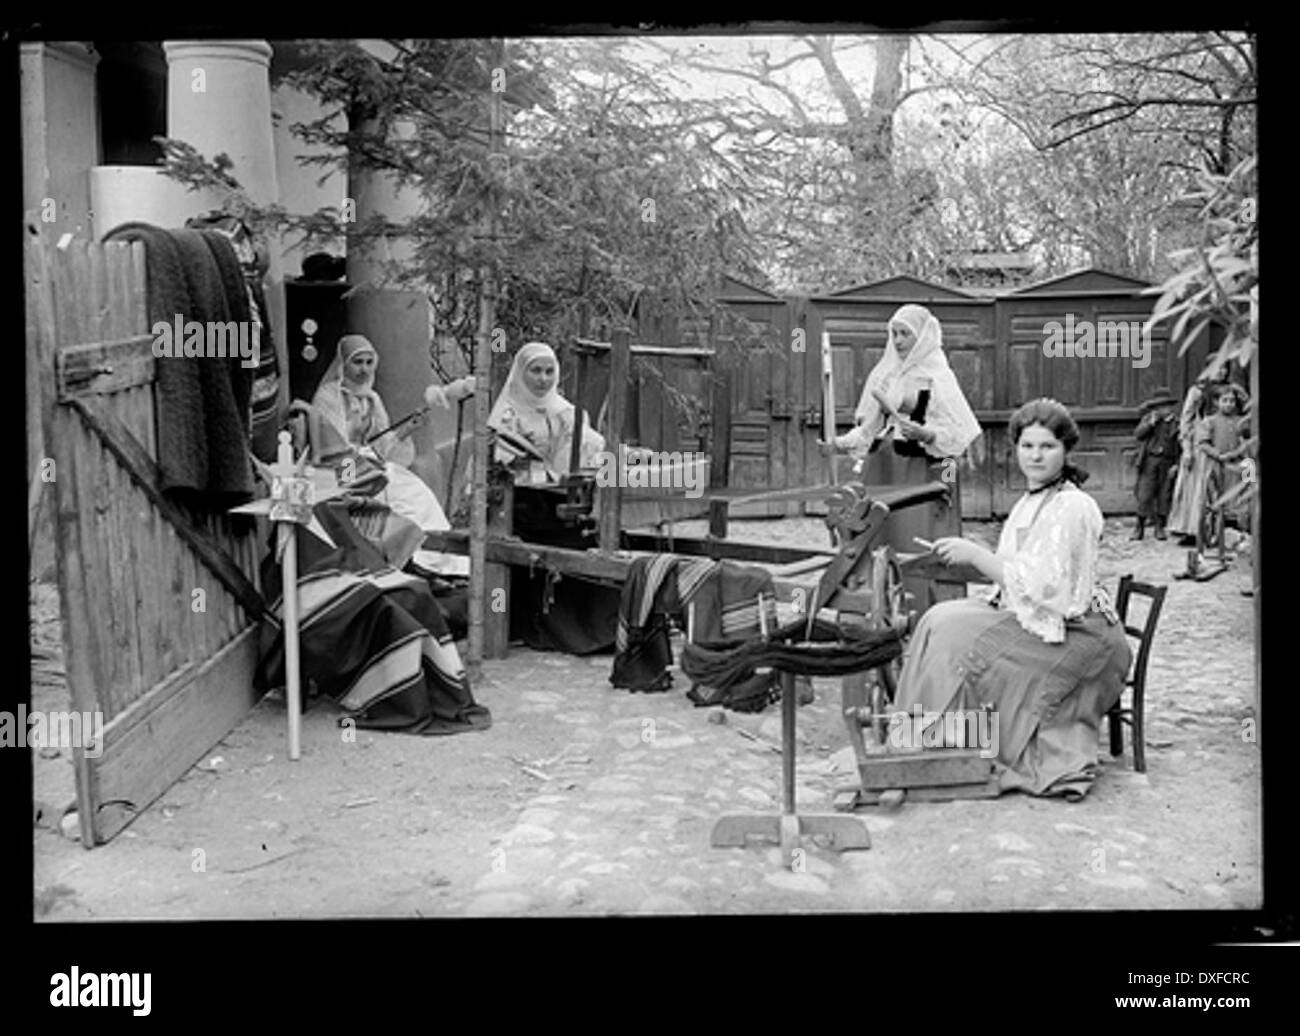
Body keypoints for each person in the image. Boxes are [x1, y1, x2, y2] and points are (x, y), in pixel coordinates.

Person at [892, 397, 1132, 800]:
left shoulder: (1073, 506)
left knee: (959, 643)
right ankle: (922, 739)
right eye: (1027, 446)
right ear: (1015, 448)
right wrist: (967, 554)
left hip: (1078, 637)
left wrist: (979, 557)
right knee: (939, 618)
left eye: (1047, 447)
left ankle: (955, 746)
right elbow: (1016, 569)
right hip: (1042, 616)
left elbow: (1048, 586)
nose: (1036, 456)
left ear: (1066, 450)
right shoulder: (1031, 500)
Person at [824, 304, 983, 611]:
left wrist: (927, 434)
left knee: (915, 539)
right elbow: (868, 430)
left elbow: (959, 432)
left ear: (923, 336)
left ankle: (923, 605)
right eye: (894, 333)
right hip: (882, 468)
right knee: (876, 533)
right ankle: (874, 604)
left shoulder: (939, 377)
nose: (897, 340)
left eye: (905, 334)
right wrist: (836, 443)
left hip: (921, 471)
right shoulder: (884, 374)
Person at [486, 342, 619, 654]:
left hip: (554, 497)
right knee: (570, 539)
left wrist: (602, 452)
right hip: (518, 503)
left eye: (549, 371)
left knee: (599, 536)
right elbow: (493, 462)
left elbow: (589, 444)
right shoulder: (506, 414)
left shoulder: (563, 410)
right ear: (521, 372)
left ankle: (600, 629)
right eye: (535, 371)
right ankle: (557, 629)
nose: (543, 379)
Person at [311, 334, 474, 576]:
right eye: (357, 363)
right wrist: (360, 467)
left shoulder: (372, 399)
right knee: (386, 494)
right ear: (343, 364)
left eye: (368, 362)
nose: (364, 369)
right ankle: (409, 558)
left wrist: (407, 429)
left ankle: (435, 560)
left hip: (370, 463)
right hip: (341, 468)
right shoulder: (329, 397)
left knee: (417, 495)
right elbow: (333, 445)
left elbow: (382, 446)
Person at [1131, 386, 1181, 540]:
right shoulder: (1149, 420)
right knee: (1145, 493)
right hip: (1150, 460)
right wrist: (1150, 424)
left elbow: (1181, 446)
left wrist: (1177, 464)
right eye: (1158, 407)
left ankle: (1160, 526)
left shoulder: (1177, 423)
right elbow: (1138, 435)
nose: (1162, 410)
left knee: (1164, 494)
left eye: (1165, 406)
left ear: (1171, 407)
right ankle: (1139, 526)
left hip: (1167, 461)